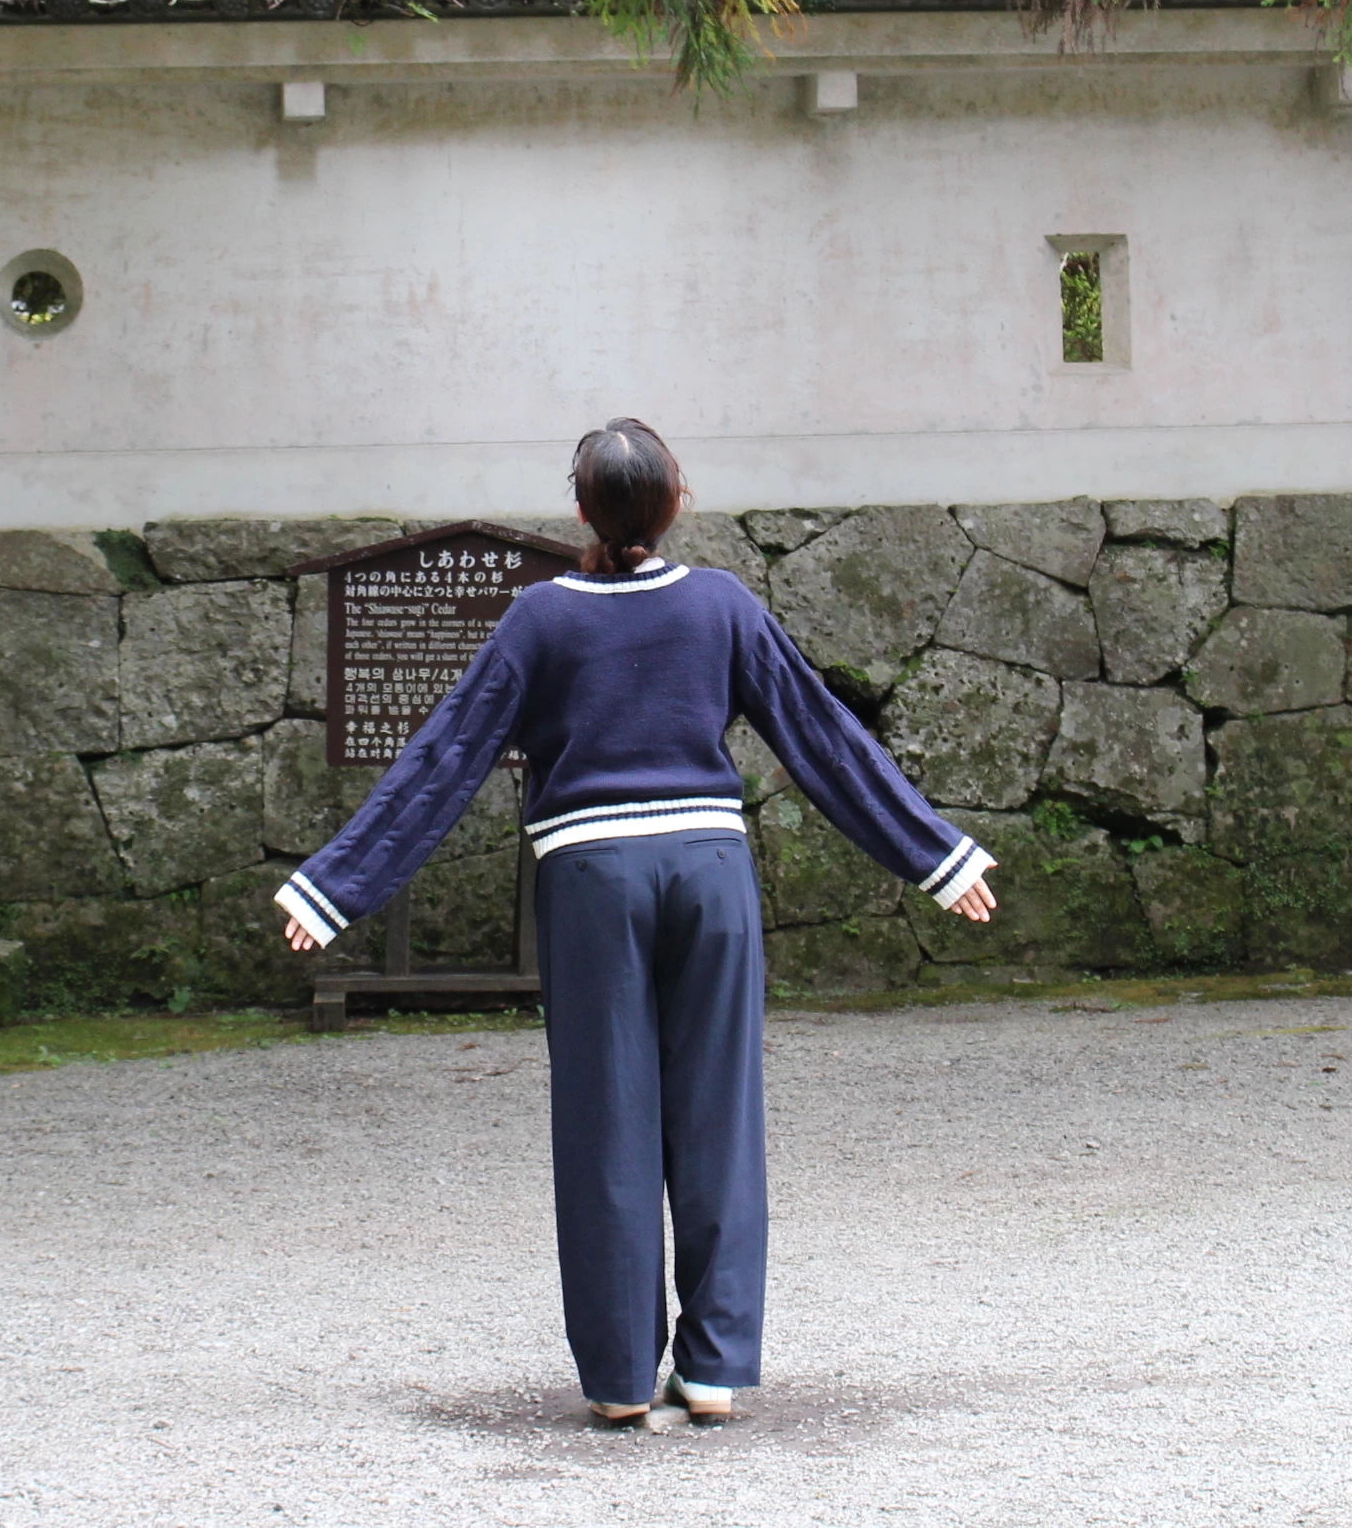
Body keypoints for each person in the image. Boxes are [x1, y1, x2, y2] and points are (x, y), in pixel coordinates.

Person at [277, 419, 999, 1423]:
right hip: (708, 871)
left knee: (606, 1119)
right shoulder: (720, 604)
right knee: (718, 1115)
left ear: (578, 507)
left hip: (590, 879)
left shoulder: (538, 620)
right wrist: (934, 851)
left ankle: (619, 1381)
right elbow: (820, 733)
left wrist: (334, 884)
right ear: (677, 499)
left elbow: (444, 756)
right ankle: (712, 1371)